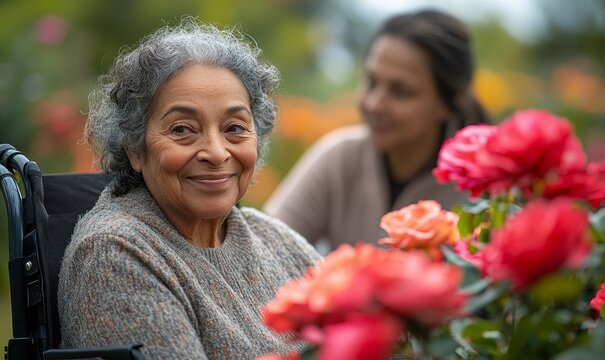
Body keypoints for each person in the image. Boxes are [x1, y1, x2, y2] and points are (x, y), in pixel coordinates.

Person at [58, 18, 321, 359]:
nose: (215, 152)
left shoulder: (274, 239)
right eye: (182, 130)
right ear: (136, 148)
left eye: (235, 128)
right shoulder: (115, 254)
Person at [264, 9, 490, 250]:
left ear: (447, 104)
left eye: (400, 91)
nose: (374, 103)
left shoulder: (481, 189)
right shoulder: (339, 159)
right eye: (371, 82)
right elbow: (264, 250)